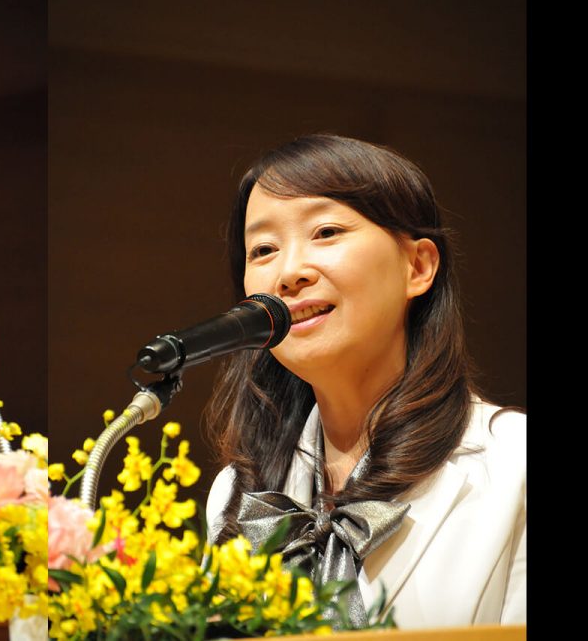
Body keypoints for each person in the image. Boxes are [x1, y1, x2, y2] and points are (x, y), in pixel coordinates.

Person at [202, 134, 525, 629]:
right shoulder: (238, 494)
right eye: (263, 249)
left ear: (418, 266)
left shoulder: (515, 465)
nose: (288, 272)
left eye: (326, 232)